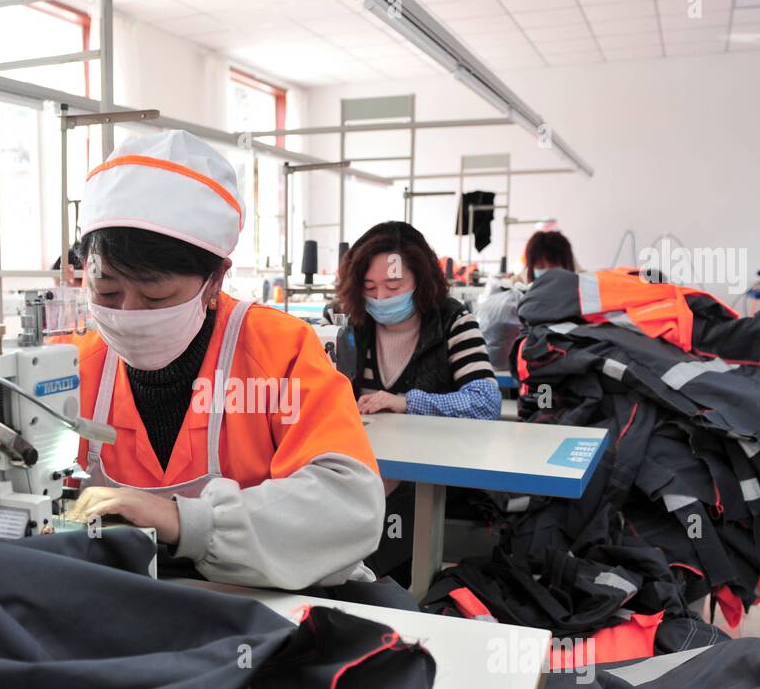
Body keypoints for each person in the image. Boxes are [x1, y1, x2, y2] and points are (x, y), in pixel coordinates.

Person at [62, 129, 391, 598]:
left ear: (215, 279)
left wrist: (184, 520)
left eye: (156, 296)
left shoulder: (280, 351)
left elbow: (349, 505)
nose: (129, 315)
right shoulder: (71, 367)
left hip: (271, 607)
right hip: (126, 602)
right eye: (108, 291)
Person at [335, 221, 499, 421]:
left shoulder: (454, 323)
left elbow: (486, 403)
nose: (380, 297)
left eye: (394, 287)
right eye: (369, 288)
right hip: (355, 448)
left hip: (433, 449)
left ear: (421, 280)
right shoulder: (341, 320)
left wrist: (405, 403)